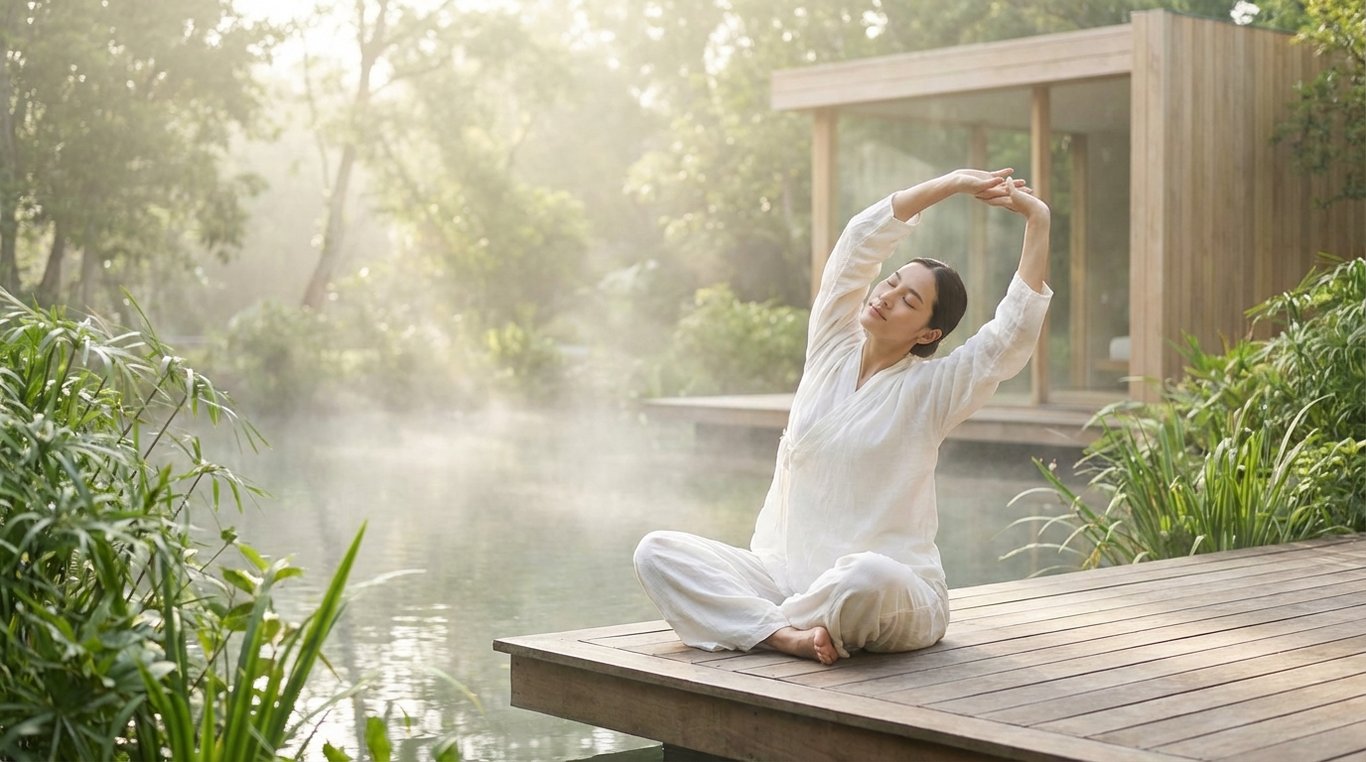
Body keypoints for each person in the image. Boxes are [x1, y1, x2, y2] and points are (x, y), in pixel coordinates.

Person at [633, 168, 1052, 665]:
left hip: (893, 593)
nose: (886, 295)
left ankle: (765, 621)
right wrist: (954, 183)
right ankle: (785, 634)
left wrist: (1038, 221)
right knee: (656, 552)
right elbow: (857, 247)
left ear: (926, 335)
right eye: (892, 283)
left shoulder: (932, 390)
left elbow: (1007, 339)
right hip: (782, 573)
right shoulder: (832, 343)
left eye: (908, 301)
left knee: (865, 577)